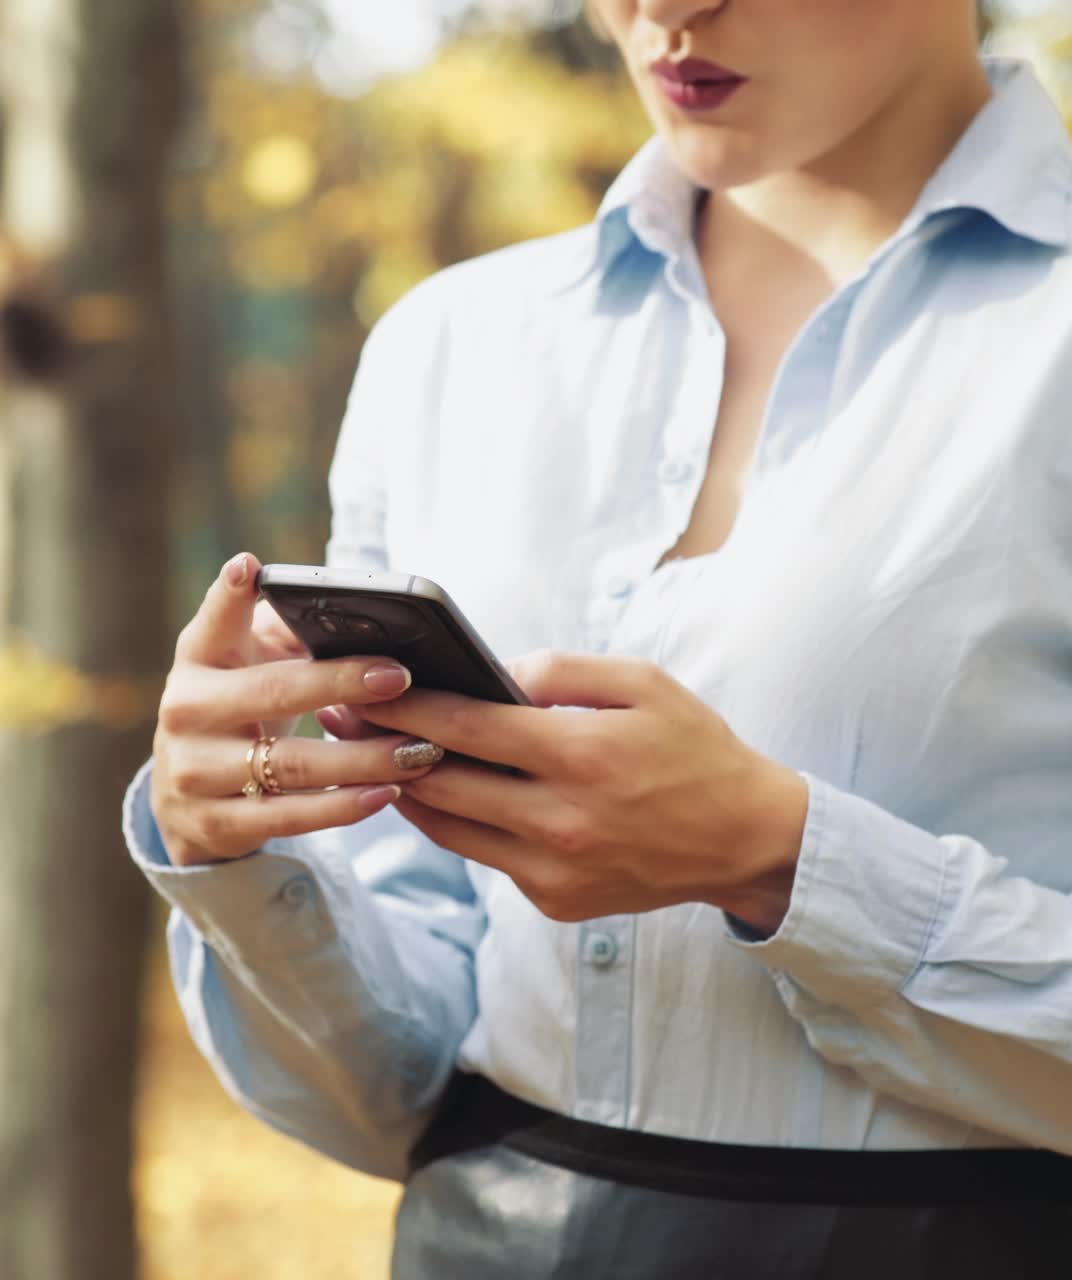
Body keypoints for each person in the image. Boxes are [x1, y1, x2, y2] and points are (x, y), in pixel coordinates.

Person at [124, 1, 1072, 1275]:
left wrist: (782, 864)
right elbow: (396, 1085)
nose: (666, 10)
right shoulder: (451, 345)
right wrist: (229, 852)